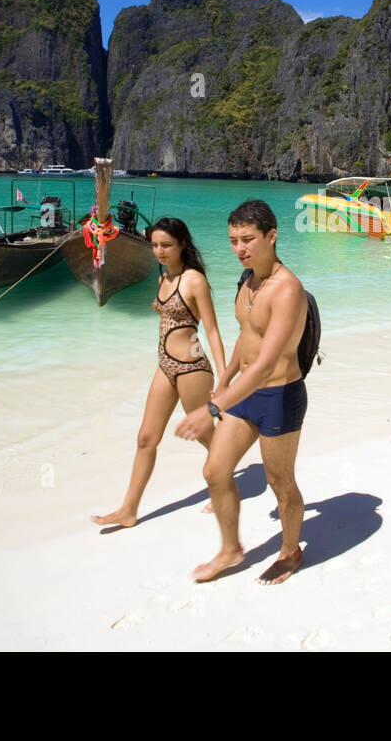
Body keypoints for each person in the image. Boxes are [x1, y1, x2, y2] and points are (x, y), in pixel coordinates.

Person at [176, 199, 309, 585]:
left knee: (280, 483)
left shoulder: (287, 290)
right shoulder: (247, 279)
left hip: (279, 397)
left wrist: (213, 407)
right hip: (243, 393)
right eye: (233, 240)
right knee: (215, 471)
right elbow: (247, 337)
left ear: (272, 236)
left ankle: (290, 551)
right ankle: (231, 549)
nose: (239, 249)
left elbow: (267, 363)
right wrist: (225, 378)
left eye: (248, 239)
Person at [91, 218, 227, 528]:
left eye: (166, 245)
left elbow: (213, 331)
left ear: (182, 244)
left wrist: (223, 378)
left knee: (206, 437)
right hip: (164, 366)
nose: (159, 251)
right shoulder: (162, 279)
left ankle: (223, 487)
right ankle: (129, 510)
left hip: (192, 369)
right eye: (154, 245)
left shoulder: (194, 281)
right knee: (145, 438)